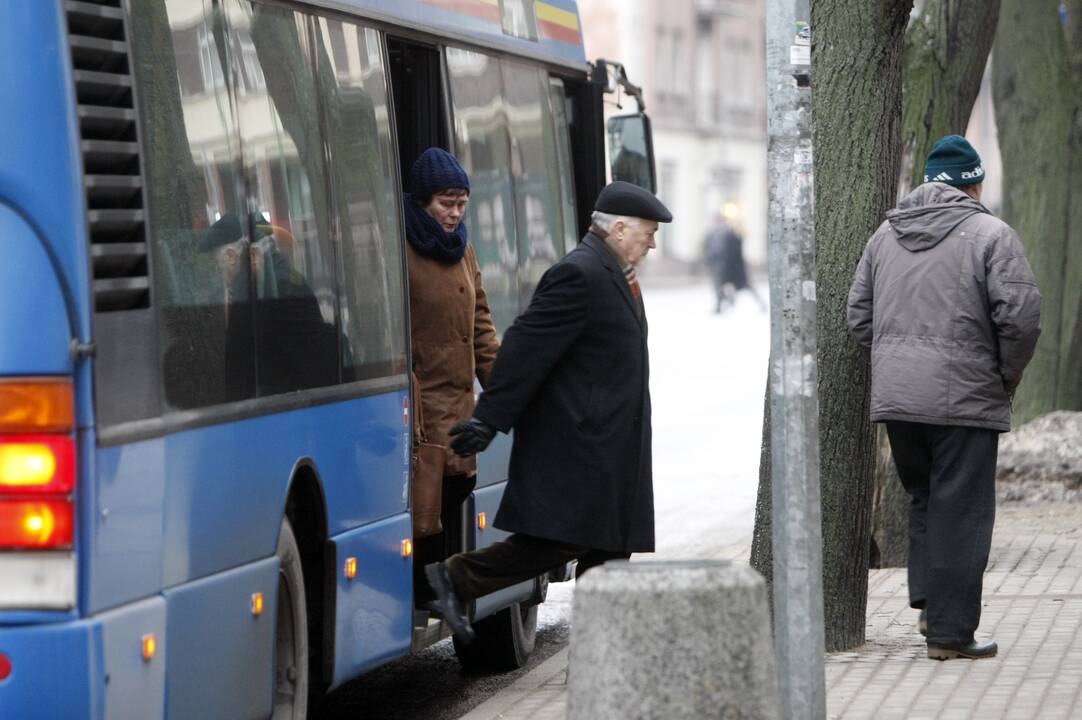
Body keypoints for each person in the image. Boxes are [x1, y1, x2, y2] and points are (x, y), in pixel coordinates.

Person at [424, 181, 673, 642]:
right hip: (580, 443)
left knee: (610, 551)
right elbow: (525, 347)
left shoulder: (617, 273)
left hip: (614, 442)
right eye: (649, 232)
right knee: (560, 542)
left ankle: (604, 659)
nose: (653, 242)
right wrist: (489, 418)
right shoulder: (579, 273)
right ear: (619, 229)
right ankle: (456, 577)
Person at [847, 135, 1041, 661]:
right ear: (974, 184)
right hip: (967, 398)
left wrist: (895, 363)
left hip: (900, 398)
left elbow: (858, 315)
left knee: (925, 498)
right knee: (963, 509)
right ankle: (951, 635)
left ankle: (932, 606)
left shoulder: (884, 236)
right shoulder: (991, 235)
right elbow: (1020, 317)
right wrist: (1005, 376)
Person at [403, 148, 499, 599]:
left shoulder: (464, 248)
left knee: (461, 485)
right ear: (423, 200)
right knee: (426, 508)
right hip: (422, 410)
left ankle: (440, 592)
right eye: (446, 203)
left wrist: (503, 387)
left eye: (462, 204)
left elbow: (481, 322)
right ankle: (427, 593)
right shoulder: (401, 247)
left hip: (460, 402)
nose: (455, 213)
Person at [703, 211, 764, 313]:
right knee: (719, 286)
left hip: (732, 265)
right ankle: (720, 306)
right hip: (719, 266)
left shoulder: (730, 232)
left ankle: (761, 304)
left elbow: (735, 247)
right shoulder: (711, 233)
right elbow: (707, 248)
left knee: (746, 286)